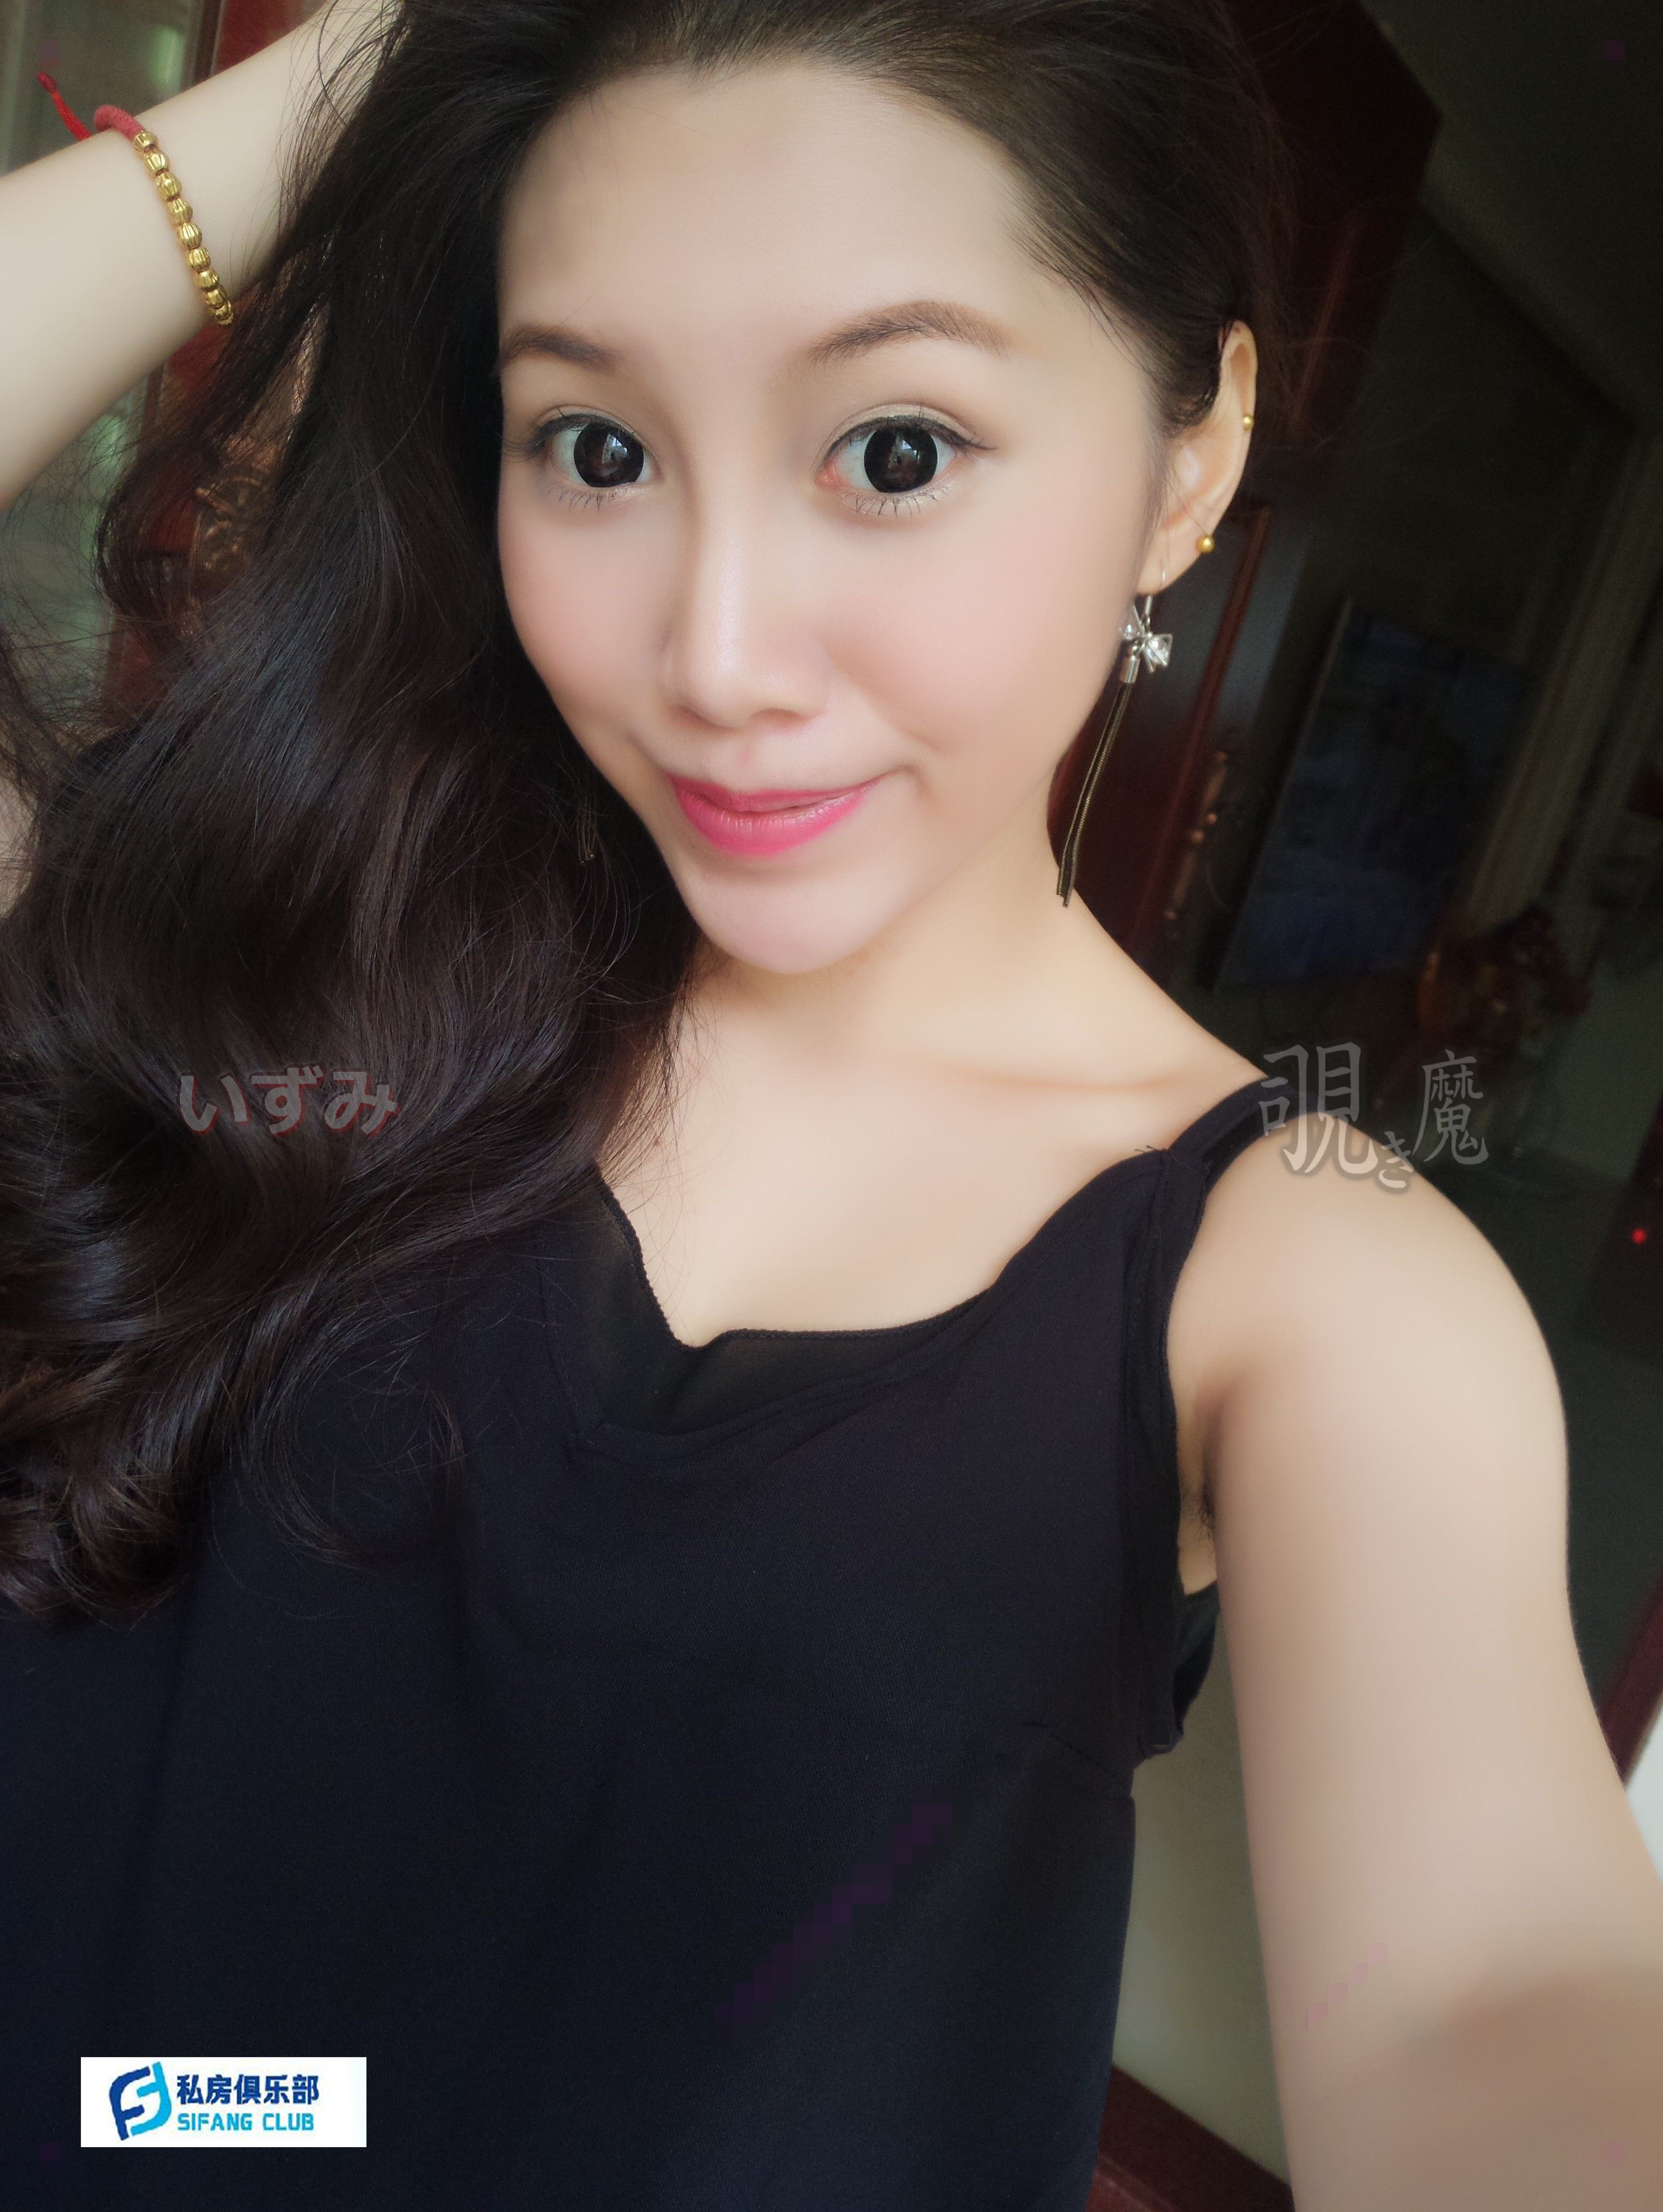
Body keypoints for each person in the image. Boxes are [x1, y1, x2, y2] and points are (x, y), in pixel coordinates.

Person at [2, 3, 1661, 2207]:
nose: (713, 655)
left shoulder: (1301, 1285)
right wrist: (404, 56)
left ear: (1189, 461)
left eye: (892, 451)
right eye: (596, 446)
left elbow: (1489, 2007)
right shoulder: (295, 942)